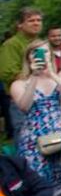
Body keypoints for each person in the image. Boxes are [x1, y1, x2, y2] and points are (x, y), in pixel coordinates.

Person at [10, 40, 61, 185]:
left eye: (45, 51)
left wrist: (51, 74)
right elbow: (24, 106)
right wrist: (34, 77)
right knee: (40, 180)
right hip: (34, 138)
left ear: (51, 55)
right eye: (34, 51)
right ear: (28, 57)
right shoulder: (19, 83)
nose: (41, 55)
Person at [0, 8, 43, 140]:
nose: (36, 23)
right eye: (31, 21)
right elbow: (7, 73)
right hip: (21, 99)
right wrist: (33, 77)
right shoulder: (11, 44)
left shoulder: (41, 43)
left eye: (39, 20)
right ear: (20, 25)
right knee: (26, 140)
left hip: (43, 98)